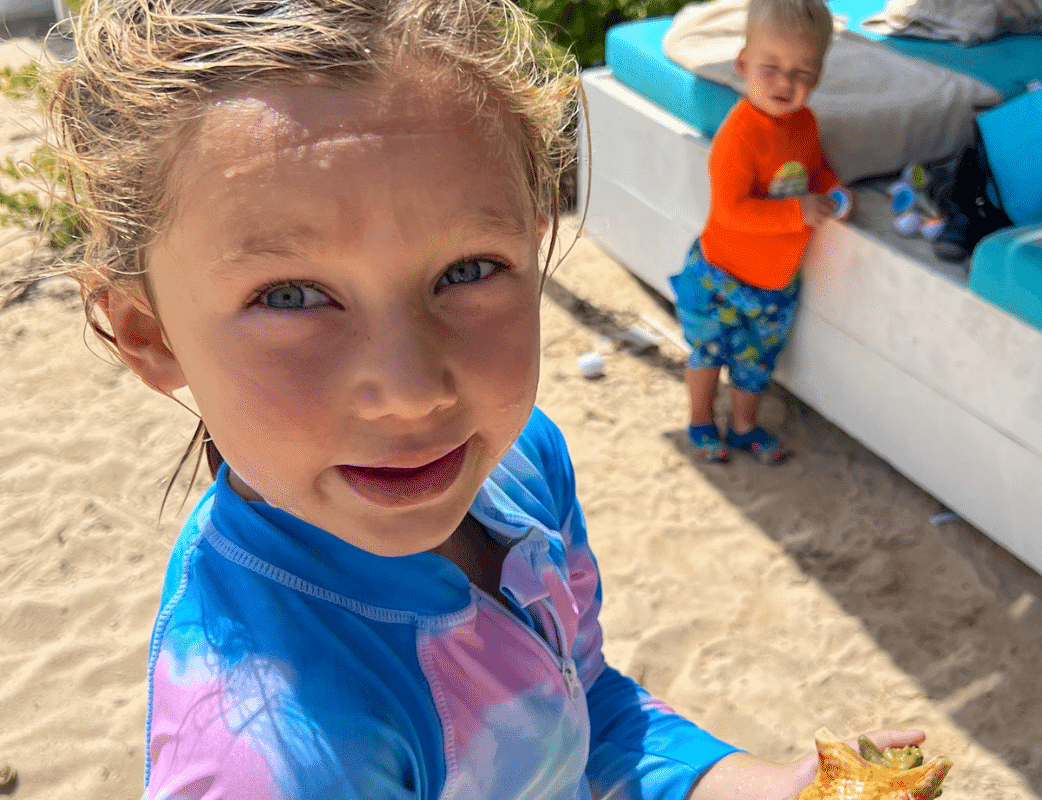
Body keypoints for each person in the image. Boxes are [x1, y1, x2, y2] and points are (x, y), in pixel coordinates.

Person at [44, 0, 914, 796]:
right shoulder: (271, 759)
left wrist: (765, 786)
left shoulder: (520, 461)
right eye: (291, 295)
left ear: (533, 247)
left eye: (468, 271)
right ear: (150, 335)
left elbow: (583, 712)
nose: (415, 394)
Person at [672, 0, 848, 465]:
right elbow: (730, 212)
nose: (785, 82)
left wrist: (833, 191)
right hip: (721, 274)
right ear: (743, 63)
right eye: (770, 66)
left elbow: (816, 170)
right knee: (708, 353)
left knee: (755, 362)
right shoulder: (739, 135)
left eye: (802, 71)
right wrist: (797, 213)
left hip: (774, 284)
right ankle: (701, 420)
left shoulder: (805, 125)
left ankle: (744, 426)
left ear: (819, 75)